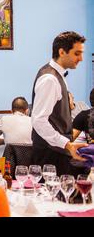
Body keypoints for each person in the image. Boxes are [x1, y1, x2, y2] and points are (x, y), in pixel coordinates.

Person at [31, 31, 88, 176]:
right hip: (50, 156)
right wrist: (66, 144)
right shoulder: (49, 79)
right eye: (77, 53)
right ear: (62, 52)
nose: (81, 58)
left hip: (56, 152)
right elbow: (38, 121)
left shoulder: (58, 76)